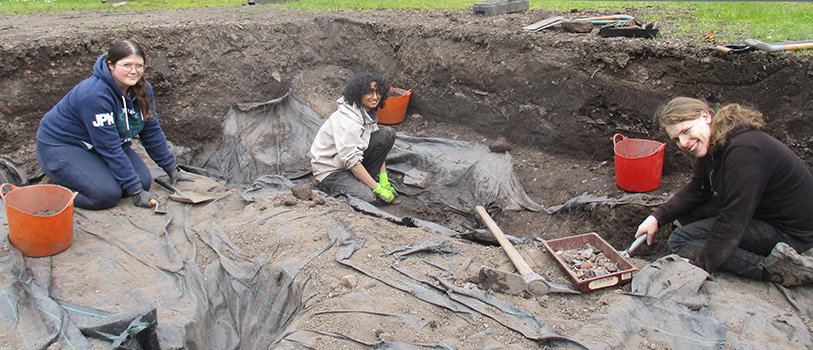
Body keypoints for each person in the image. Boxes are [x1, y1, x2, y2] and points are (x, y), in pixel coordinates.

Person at [634, 97, 813, 287]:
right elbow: (698, 190)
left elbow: (733, 220)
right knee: (686, 211)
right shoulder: (714, 142)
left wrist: (701, 265)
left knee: (680, 241)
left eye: (686, 131)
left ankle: (769, 269)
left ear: (705, 117)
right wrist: (657, 217)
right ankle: (722, 248)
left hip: (791, 233)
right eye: (676, 139)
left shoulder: (744, 151)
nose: (684, 143)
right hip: (760, 211)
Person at [36, 39, 186, 210]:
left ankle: (92, 176)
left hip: (98, 144)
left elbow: (151, 131)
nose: (133, 71)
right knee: (105, 195)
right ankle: (53, 190)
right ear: (111, 65)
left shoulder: (143, 89)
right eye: (127, 65)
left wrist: (171, 168)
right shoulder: (95, 95)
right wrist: (136, 192)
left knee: (143, 181)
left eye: (139, 66)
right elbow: (109, 147)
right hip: (63, 146)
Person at [310, 72, 397, 204]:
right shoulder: (348, 122)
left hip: (349, 163)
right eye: (370, 92)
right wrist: (378, 189)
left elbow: (376, 145)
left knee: (387, 134)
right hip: (331, 171)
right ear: (359, 94)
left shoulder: (366, 114)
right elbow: (352, 162)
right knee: (368, 197)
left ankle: (359, 180)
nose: (375, 97)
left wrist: (384, 178)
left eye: (378, 92)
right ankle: (327, 186)